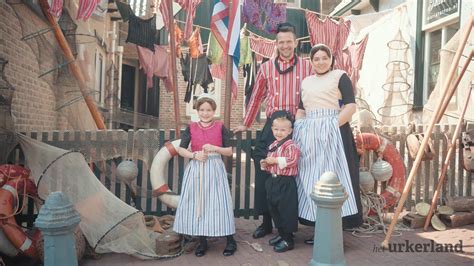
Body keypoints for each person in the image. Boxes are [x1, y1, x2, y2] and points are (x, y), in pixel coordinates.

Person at [233, 22, 313, 239]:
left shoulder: (308, 66)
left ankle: (289, 227)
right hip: (272, 126)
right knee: (264, 172)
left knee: (291, 176)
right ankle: (266, 223)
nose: (285, 46)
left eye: (289, 41)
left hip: (298, 126)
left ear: (295, 43)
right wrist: (246, 123)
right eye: (281, 42)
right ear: (276, 44)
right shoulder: (266, 67)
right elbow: (256, 96)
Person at [293, 44, 363, 244]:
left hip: (334, 131)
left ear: (331, 59)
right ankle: (319, 228)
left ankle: (335, 232)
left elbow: (350, 106)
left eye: (325, 58)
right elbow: (301, 108)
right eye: (316, 59)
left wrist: (333, 125)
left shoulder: (340, 76)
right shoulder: (306, 82)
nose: (321, 62)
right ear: (311, 62)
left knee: (334, 178)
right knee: (313, 177)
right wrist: (299, 125)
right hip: (310, 134)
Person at [173, 94, 237, 257]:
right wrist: (194, 156)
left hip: (215, 168)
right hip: (196, 167)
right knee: (198, 202)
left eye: (208, 110)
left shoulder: (220, 126)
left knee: (219, 202)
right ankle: (202, 241)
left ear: (214, 111)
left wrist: (215, 148)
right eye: (202, 110)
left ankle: (230, 240)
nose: (205, 113)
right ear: (197, 110)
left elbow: (229, 151)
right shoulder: (192, 127)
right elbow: (181, 149)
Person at [260, 110, 300, 253]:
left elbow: (292, 161)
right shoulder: (272, 146)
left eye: (283, 130)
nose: (279, 132)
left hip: (286, 182)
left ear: (290, 131)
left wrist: (275, 160)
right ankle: (281, 234)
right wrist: (265, 164)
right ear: (272, 129)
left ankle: (288, 239)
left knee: (285, 210)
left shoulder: (291, 146)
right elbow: (270, 162)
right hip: (273, 180)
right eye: (276, 129)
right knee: (274, 209)